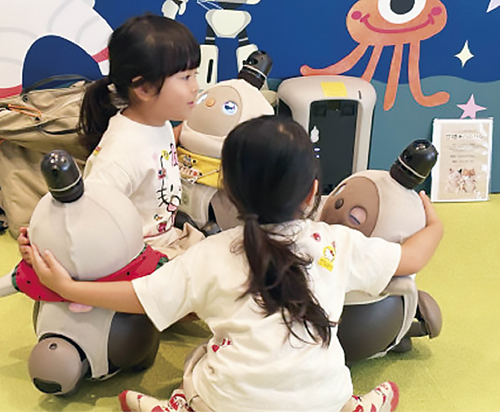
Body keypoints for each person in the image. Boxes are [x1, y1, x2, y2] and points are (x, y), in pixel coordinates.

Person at [29, 115, 444, 412]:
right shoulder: (337, 243)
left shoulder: (210, 254)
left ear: (227, 190)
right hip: (323, 399)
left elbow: (141, 297)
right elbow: (412, 257)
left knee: (198, 361)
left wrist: (68, 288)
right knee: (327, 376)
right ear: (312, 193)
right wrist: (435, 225)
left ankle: (180, 405)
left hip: (228, 403)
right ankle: (354, 405)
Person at [18, 13, 205, 262]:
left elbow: (153, 153)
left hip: (166, 237)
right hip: (136, 256)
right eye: (186, 77)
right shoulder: (120, 152)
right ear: (144, 88)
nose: (195, 86)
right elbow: (86, 216)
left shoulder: (156, 124)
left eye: (195, 75)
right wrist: (44, 244)